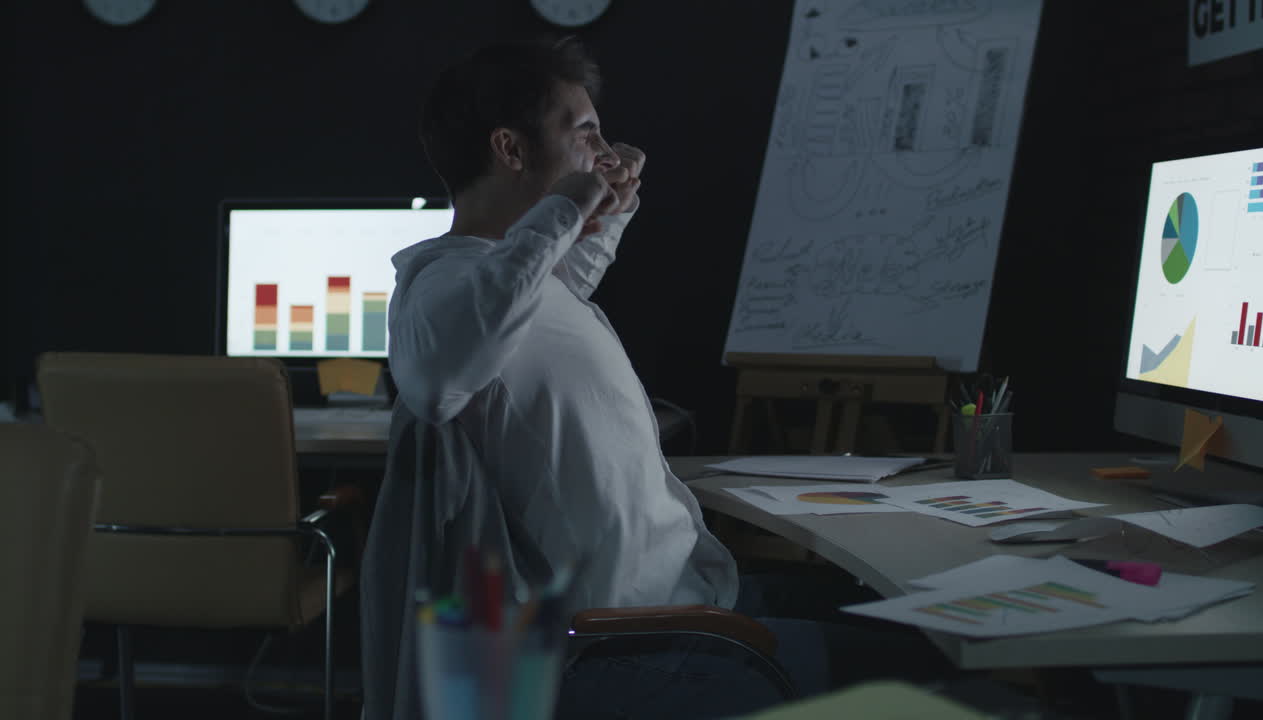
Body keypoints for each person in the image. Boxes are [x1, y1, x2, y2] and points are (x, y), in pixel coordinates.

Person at [360, 37, 945, 720]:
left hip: (689, 599)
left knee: (925, 617)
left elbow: (549, 296)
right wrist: (566, 208)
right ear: (511, 150)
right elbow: (438, 375)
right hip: (635, 646)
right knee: (935, 667)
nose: (603, 157)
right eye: (584, 135)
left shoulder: (514, 288)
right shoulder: (441, 287)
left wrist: (605, 215)